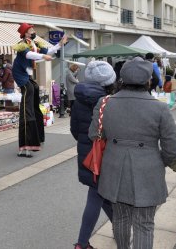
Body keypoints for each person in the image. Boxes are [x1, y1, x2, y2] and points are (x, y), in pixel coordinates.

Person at [88, 57, 176, 249]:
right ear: (148, 81)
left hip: (114, 167)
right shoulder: (160, 108)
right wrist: (158, 161)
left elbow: (93, 135)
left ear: (121, 79)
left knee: (120, 218)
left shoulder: (105, 102)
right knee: (144, 223)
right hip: (148, 169)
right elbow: (173, 148)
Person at [70, 61, 115, 249]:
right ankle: (81, 243)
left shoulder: (78, 99)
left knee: (100, 193)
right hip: (104, 153)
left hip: (86, 152)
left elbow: (74, 129)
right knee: (97, 194)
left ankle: (118, 227)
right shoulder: (108, 101)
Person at [12, 22, 67, 158]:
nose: (33, 30)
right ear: (25, 33)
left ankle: (36, 139)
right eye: (31, 29)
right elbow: (29, 55)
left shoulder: (34, 43)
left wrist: (60, 44)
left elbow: (48, 51)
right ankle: (25, 146)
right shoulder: (23, 44)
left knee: (34, 93)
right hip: (21, 77)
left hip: (27, 76)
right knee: (26, 111)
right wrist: (43, 57)